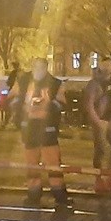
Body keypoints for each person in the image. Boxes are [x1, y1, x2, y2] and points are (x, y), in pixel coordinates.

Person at [16, 57, 70, 211]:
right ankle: (33, 196)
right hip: (30, 131)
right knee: (32, 165)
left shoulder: (55, 83)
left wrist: (48, 106)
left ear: (46, 68)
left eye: (41, 67)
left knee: (53, 165)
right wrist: (20, 114)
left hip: (48, 131)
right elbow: (13, 100)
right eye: (35, 67)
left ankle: (59, 196)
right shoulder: (23, 81)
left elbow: (62, 104)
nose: (38, 70)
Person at [83, 56, 111, 194]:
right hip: (100, 121)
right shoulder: (94, 84)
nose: (108, 67)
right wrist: (98, 121)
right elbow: (89, 105)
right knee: (101, 150)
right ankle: (99, 180)